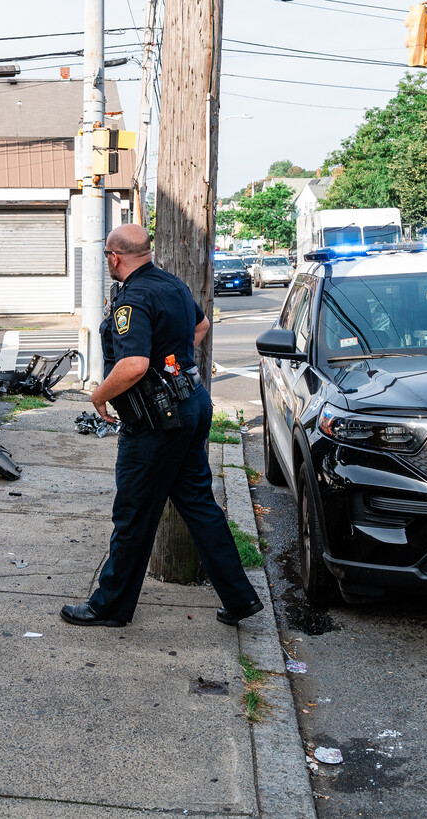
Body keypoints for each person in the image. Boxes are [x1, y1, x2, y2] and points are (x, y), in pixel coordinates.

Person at [60, 224, 263, 629]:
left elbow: (133, 365)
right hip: (192, 404)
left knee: (134, 514)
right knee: (199, 505)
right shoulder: (173, 285)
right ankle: (239, 599)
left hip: (157, 422)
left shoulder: (133, 299)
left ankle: (110, 607)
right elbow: (202, 328)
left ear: (115, 257)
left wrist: (99, 395)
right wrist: (173, 366)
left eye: (108, 258)